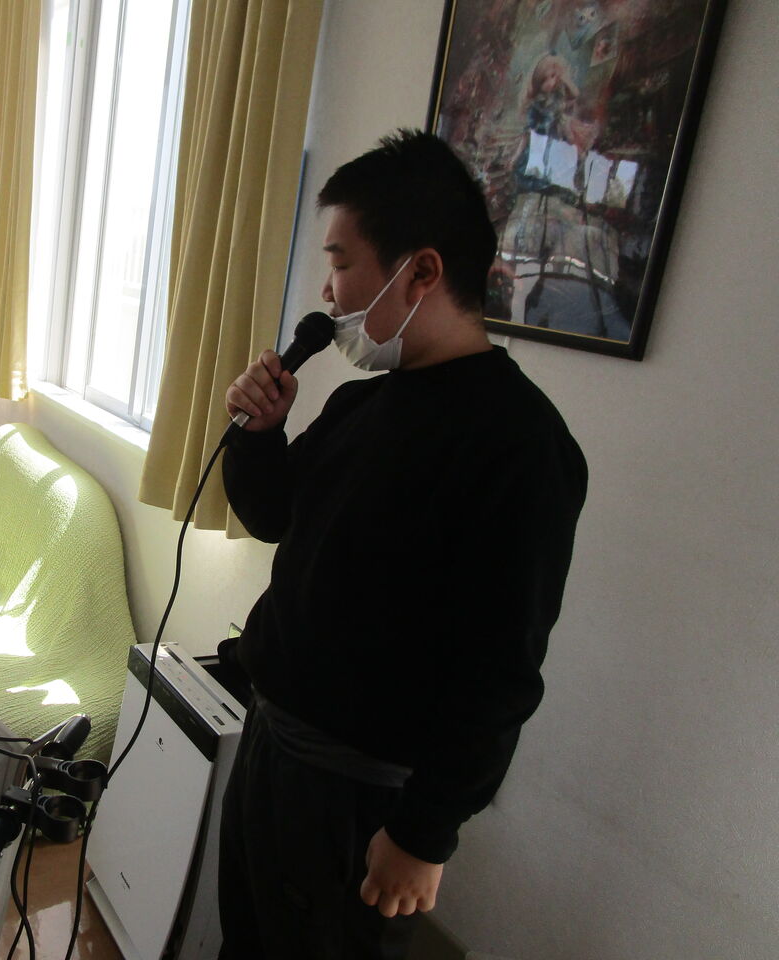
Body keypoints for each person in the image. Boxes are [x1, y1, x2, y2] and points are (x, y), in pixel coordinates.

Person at [217, 129, 587, 959]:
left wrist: (424, 833)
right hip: (272, 749)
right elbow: (275, 515)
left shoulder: (520, 446)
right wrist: (260, 435)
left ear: (421, 272)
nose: (327, 289)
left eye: (342, 262)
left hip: (358, 799)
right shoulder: (364, 403)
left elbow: (501, 671)